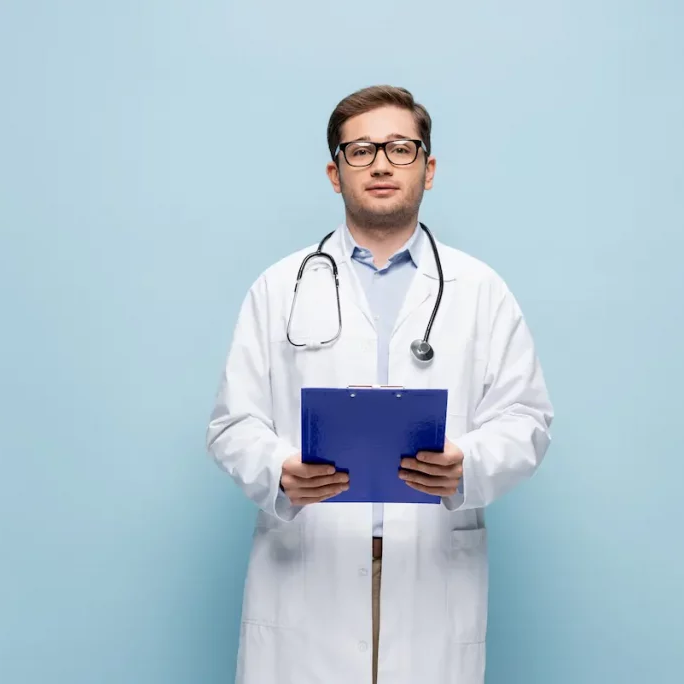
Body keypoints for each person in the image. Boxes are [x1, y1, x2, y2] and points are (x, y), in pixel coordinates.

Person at [206, 85, 553, 684]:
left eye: (400, 147)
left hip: (430, 572)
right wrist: (279, 470)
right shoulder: (279, 287)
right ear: (335, 173)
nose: (383, 164)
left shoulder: (480, 290)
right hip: (309, 569)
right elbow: (232, 424)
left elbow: (527, 419)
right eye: (361, 151)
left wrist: (466, 464)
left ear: (429, 167)